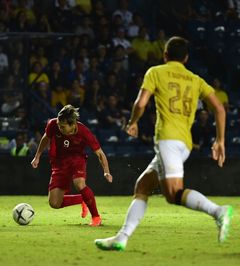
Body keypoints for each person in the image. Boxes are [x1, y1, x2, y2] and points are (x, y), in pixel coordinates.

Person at [95, 36, 233, 251]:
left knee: (173, 194)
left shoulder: (156, 72)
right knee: (142, 186)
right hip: (184, 143)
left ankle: (218, 211)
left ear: (165, 55)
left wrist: (133, 122)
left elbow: (140, 103)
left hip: (168, 139)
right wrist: (221, 140)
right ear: (186, 58)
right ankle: (122, 237)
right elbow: (220, 108)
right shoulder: (195, 79)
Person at [31, 104, 113, 226]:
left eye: (63, 126)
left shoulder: (84, 132)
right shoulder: (53, 124)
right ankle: (83, 199)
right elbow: (45, 138)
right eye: (59, 125)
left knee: (79, 183)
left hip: (77, 159)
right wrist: (37, 156)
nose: (59, 128)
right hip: (58, 162)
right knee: (54, 203)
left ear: (73, 124)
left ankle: (96, 218)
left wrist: (106, 171)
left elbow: (100, 153)